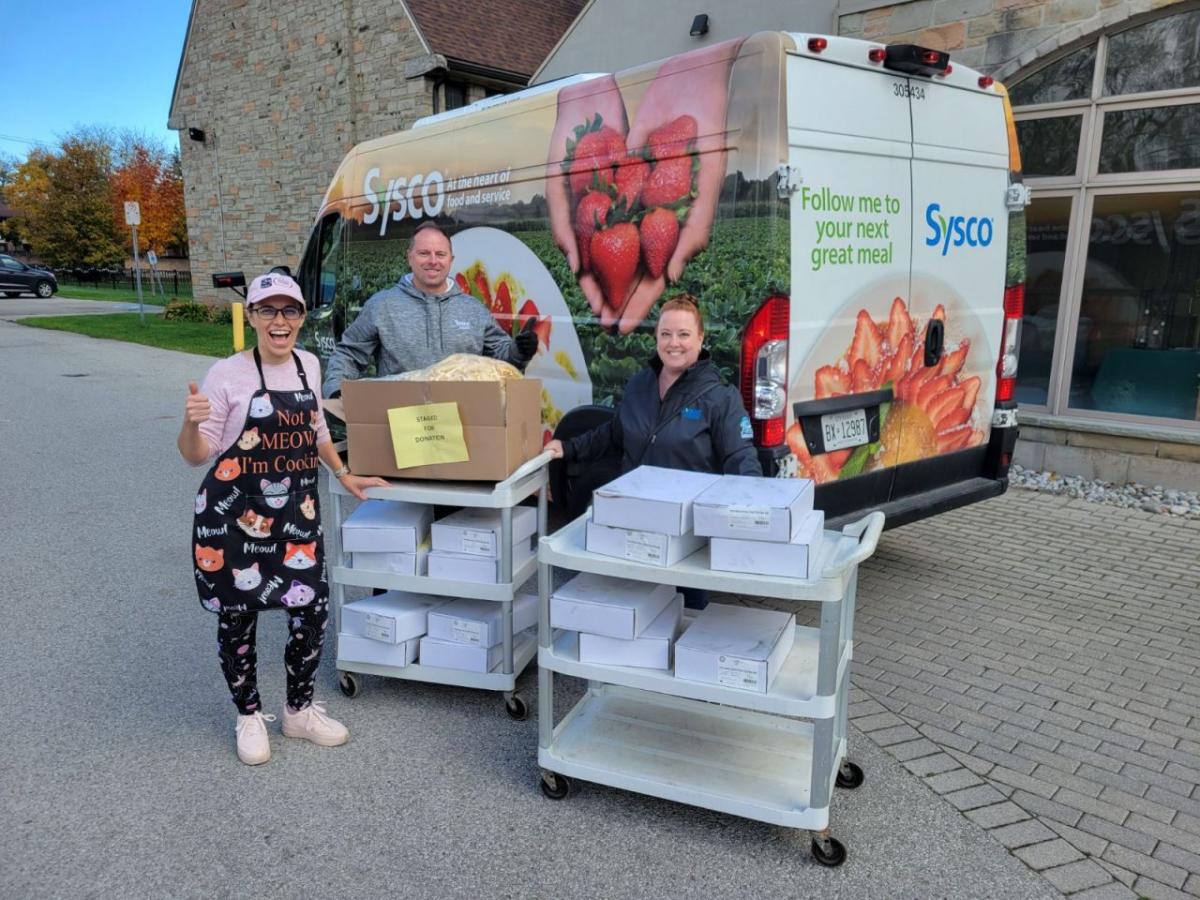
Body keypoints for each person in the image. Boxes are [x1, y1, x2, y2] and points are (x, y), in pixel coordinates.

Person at [178, 271, 387, 766]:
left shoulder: (307, 366)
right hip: (232, 515)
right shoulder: (226, 374)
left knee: (311, 610)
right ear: (251, 316)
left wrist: (344, 471)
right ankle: (249, 713)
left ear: (300, 318)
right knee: (238, 616)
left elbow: (314, 428)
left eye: (289, 310)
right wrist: (189, 423)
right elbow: (196, 454)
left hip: (296, 513)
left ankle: (298, 710)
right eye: (267, 310)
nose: (279, 320)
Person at [546, 294, 761, 608]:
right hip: (634, 524)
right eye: (666, 334)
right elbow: (614, 433)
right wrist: (567, 447)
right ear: (656, 338)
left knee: (685, 615)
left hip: (686, 536)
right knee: (636, 612)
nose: (674, 343)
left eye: (684, 334)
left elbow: (740, 457)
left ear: (701, 338)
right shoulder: (640, 385)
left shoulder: (719, 397)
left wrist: (760, 512)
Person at [322, 222, 539, 397]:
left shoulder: (472, 309)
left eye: (440, 254)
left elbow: (499, 363)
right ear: (409, 257)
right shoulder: (383, 305)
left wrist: (518, 351)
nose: (433, 261)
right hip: (401, 421)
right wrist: (336, 389)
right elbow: (348, 353)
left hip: (465, 420)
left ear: (451, 260)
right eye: (424, 253)